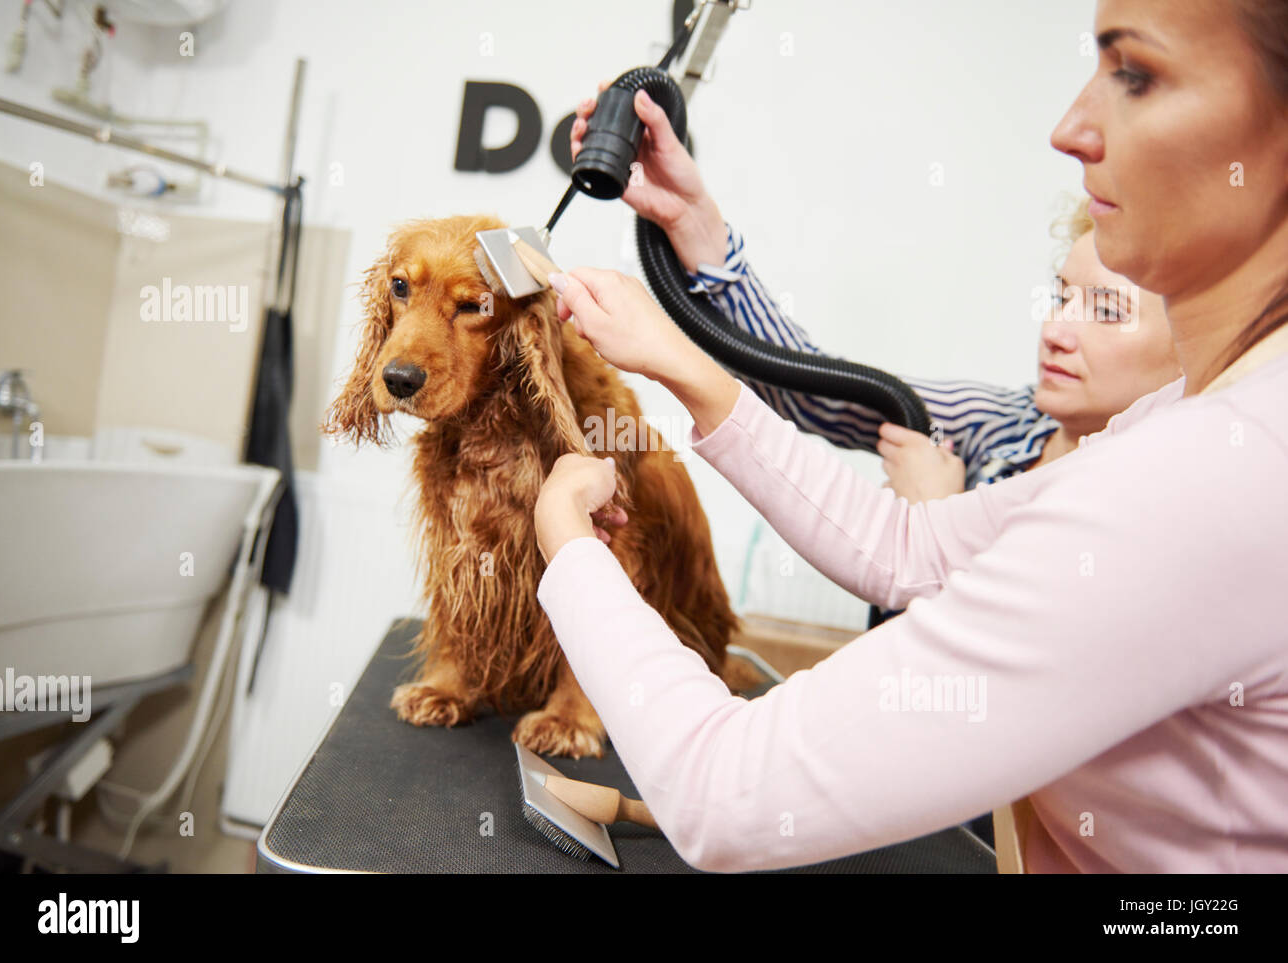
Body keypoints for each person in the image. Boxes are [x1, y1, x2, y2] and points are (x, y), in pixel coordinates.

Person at [534, 0, 1288, 872]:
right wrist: (688, 365)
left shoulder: (1207, 481)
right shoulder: (1184, 425)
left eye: (1137, 75)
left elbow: (721, 794)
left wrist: (566, 543)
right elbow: (902, 542)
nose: (1072, 127)